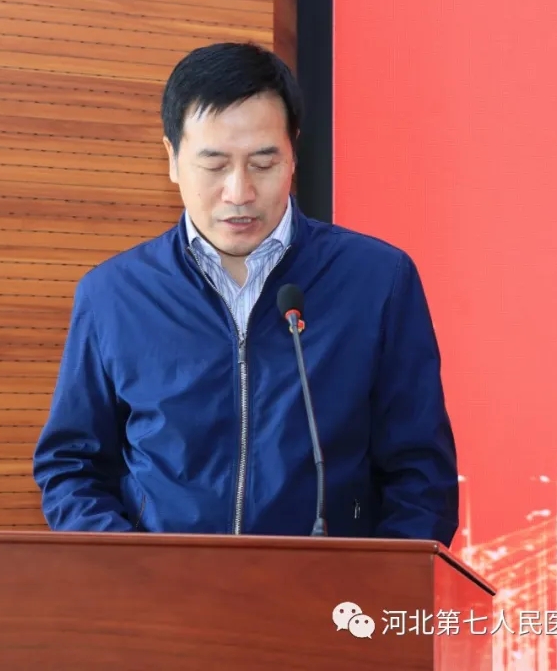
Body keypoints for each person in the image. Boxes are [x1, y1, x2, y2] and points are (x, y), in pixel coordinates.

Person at [32, 42, 460, 545]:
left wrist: (375, 583)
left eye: (262, 163)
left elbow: (421, 476)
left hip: (330, 590)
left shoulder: (377, 280)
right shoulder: (114, 294)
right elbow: (72, 466)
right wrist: (131, 571)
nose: (239, 193)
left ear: (293, 153)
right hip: (160, 588)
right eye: (214, 165)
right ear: (172, 159)